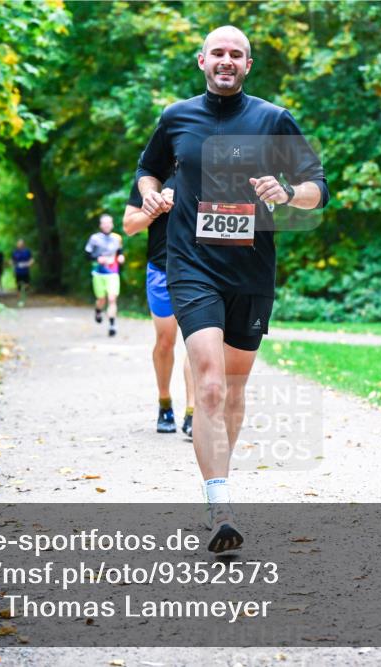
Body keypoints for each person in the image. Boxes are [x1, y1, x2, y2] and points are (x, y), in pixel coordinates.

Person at [136, 25, 328, 552]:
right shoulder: (176, 117)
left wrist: (288, 192)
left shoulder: (272, 120)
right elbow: (147, 171)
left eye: (235, 54)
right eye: (217, 52)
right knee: (210, 384)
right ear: (202, 60)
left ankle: (219, 477)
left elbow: (319, 188)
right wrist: (152, 197)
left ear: (248, 64)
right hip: (191, 266)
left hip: (250, 272)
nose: (226, 60)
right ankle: (220, 506)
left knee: (235, 389)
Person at [123, 179, 196, 436]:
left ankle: (193, 412)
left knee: (198, 341)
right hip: (161, 268)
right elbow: (129, 226)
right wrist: (154, 208)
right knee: (166, 341)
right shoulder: (150, 178)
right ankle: (164, 402)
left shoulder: (206, 165)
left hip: (197, 268)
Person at [84, 214, 124, 337]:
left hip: (113, 272)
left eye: (109, 223)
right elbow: (87, 255)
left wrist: (121, 257)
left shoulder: (117, 238)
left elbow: (120, 252)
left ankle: (112, 325)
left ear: (112, 224)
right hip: (98, 272)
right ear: (101, 225)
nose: (107, 225)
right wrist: (98, 258)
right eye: (104, 223)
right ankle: (98, 310)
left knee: (112, 299)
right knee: (101, 299)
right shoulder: (94, 238)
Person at [11, 238, 34, 306]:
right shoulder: (15, 252)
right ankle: (20, 299)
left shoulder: (27, 251)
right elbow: (12, 261)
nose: (19, 244)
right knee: (18, 285)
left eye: (21, 243)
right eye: (18, 243)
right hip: (18, 271)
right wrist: (13, 265)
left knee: (27, 285)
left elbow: (32, 259)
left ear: (23, 244)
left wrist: (29, 264)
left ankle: (25, 296)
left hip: (25, 270)